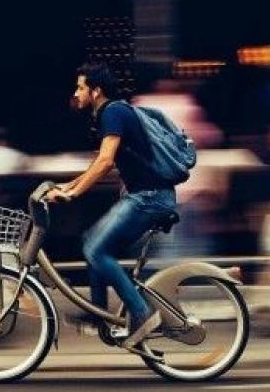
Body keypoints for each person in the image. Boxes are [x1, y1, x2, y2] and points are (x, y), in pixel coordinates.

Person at [45, 62, 177, 348]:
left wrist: (73, 194)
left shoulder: (113, 111)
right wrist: (66, 187)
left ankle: (141, 313)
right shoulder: (110, 113)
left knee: (95, 249)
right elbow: (99, 164)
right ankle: (99, 314)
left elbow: (104, 162)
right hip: (145, 196)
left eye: (81, 87)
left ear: (96, 90)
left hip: (150, 197)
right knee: (92, 241)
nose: (76, 92)